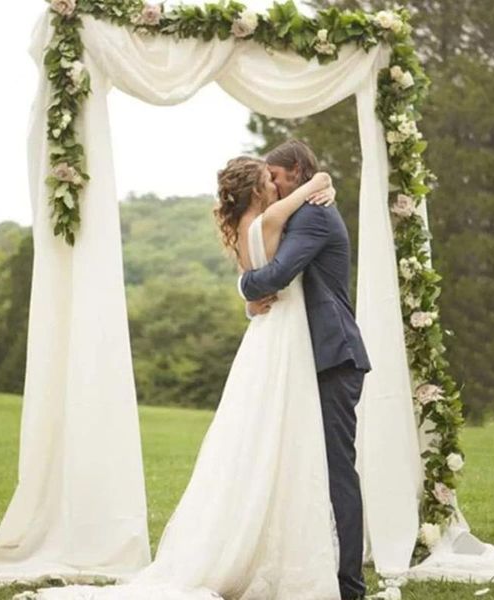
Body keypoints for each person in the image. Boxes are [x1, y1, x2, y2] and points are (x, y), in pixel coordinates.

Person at [33, 156, 341, 600]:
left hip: (262, 335)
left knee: (252, 435)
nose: (276, 184)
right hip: (285, 336)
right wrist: (324, 181)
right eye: (269, 179)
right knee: (286, 432)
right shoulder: (274, 217)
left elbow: (249, 284)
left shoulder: (239, 234)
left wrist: (247, 299)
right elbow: (311, 189)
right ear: (259, 190)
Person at [240, 140, 372, 600]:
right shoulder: (302, 208)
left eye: (275, 177)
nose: (272, 186)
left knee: (337, 470)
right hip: (308, 356)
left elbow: (276, 276)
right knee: (307, 467)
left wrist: (243, 286)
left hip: (334, 355)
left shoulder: (313, 215)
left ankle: (349, 583)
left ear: (295, 170)